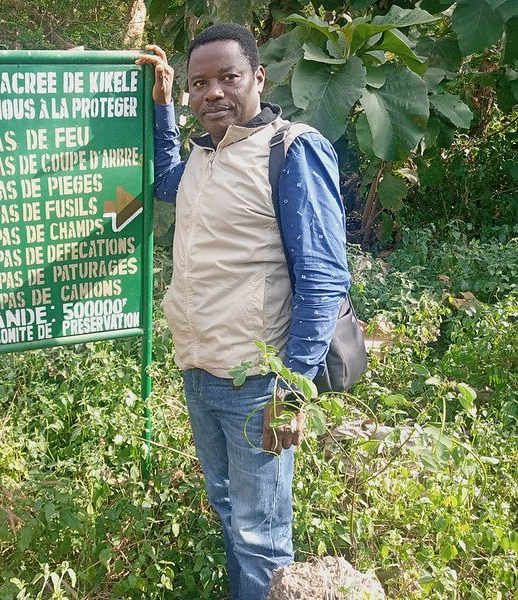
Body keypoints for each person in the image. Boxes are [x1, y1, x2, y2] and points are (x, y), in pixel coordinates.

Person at [136, 24, 350, 599]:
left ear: (258, 77)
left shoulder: (291, 149)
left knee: (261, 534)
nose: (213, 93)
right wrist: (161, 114)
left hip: (260, 385)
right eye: (198, 83)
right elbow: (162, 185)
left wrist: (292, 387)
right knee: (228, 508)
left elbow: (324, 281)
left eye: (228, 77)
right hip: (200, 372)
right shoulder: (205, 156)